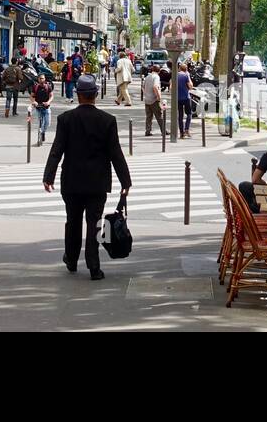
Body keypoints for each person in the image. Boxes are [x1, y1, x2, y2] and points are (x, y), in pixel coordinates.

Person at [43, 75, 131, 280]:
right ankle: (94, 267)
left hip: (71, 181)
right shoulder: (108, 121)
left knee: (72, 222)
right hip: (97, 183)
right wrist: (125, 182)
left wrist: (49, 176)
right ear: (95, 95)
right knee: (94, 224)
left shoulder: (65, 119)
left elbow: (57, 150)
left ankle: (71, 259)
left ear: (78, 95)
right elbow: (116, 153)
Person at [142, 59, 166, 137]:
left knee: (149, 117)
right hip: (154, 100)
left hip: (147, 100)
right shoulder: (156, 77)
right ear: (159, 71)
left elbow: (143, 87)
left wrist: (146, 94)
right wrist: (159, 97)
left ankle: (147, 131)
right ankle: (163, 131)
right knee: (159, 116)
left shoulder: (148, 76)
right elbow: (155, 87)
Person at [32, 69, 54, 145]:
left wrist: (48, 102)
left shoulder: (48, 86)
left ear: (45, 79)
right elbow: (32, 96)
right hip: (38, 107)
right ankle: (40, 135)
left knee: (47, 123)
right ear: (38, 79)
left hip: (46, 107)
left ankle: (43, 132)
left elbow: (51, 96)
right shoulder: (35, 87)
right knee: (40, 122)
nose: (41, 80)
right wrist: (34, 102)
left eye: (42, 78)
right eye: (40, 78)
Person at [176, 60, 195, 138]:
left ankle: (181, 133)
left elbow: (171, 87)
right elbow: (190, 86)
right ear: (186, 69)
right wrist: (189, 76)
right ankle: (186, 129)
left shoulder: (175, 75)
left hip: (178, 98)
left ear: (179, 68)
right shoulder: (186, 75)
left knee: (180, 115)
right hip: (186, 97)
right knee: (189, 114)